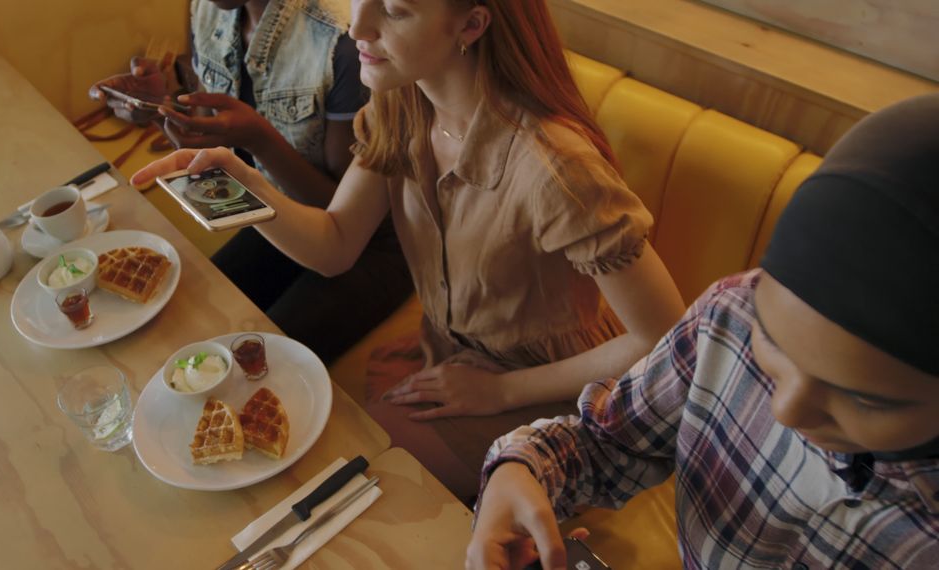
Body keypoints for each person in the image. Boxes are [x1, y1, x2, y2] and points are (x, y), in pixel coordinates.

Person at [131, 0, 685, 499]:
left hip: (559, 385)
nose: (357, 27)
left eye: (393, 11)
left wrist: (499, 391)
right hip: (453, 355)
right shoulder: (400, 106)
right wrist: (240, 180)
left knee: (351, 475)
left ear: (471, 23)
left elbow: (664, 337)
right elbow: (336, 245)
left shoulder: (554, 167)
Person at [467, 94, 939, 570]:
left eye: (865, 400)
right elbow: (607, 443)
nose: (786, 408)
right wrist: (521, 469)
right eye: (773, 341)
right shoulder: (730, 319)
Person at [89, 0, 413, 364]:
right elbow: (215, 132)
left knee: (256, 359)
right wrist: (162, 106)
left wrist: (258, 140)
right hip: (279, 204)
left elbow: (341, 215)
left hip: (374, 240)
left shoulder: (341, 43)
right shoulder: (210, 10)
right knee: (190, 312)